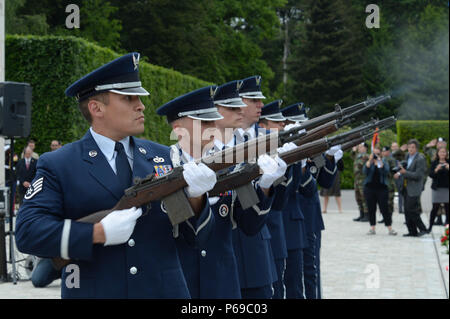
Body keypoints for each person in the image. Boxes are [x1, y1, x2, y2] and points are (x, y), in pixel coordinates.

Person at [15, 53, 217, 298]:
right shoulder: (60, 163)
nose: (141, 105)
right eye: (128, 98)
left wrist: (197, 199)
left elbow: (197, 239)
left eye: (139, 98)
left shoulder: (164, 157)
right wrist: (96, 233)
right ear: (96, 108)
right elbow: (28, 232)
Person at [157, 81, 282, 299]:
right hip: (182, 284)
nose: (213, 126)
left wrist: (265, 185)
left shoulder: (231, 166)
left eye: (213, 119)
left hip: (223, 282)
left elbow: (250, 224)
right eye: (204, 122)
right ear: (178, 130)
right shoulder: (164, 168)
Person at [231, 75, 281, 299]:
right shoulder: (214, 142)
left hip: (256, 246)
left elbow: (283, 200)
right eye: (253, 100)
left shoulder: (270, 139)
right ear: (238, 102)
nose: (261, 105)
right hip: (229, 249)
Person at [394, 139, 428, 237]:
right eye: (409, 147)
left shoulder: (420, 158)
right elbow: (405, 169)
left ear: (416, 148)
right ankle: (412, 231)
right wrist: (399, 173)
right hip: (405, 187)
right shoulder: (407, 156)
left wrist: (404, 173)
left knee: (412, 209)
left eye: (412, 147)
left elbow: (418, 175)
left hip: (414, 188)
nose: (410, 149)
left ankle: (423, 229)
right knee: (407, 210)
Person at [363, 146, 397, 235]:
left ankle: (390, 228)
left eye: (378, 154)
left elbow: (386, 172)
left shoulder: (384, 162)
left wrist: (379, 163)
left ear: (381, 154)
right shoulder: (369, 162)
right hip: (369, 188)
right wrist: (369, 162)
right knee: (371, 208)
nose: (376, 155)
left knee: (384, 208)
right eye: (374, 154)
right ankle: (372, 228)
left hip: (382, 189)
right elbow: (364, 172)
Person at [427, 146, 449, 231]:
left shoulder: (448, 162)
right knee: (435, 208)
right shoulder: (434, 162)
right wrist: (437, 169)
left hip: (447, 189)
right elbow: (431, 175)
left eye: (444, 152)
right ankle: (430, 227)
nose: (442, 154)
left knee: (448, 209)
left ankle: (447, 228)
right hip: (437, 189)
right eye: (441, 152)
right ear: (438, 153)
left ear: (446, 153)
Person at [352, 143, 369, 222]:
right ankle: (361, 214)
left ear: (365, 148)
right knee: (358, 198)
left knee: (364, 198)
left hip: (363, 180)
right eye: (359, 147)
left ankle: (367, 215)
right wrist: (353, 150)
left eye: (361, 147)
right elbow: (352, 156)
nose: (359, 148)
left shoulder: (366, 156)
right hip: (357, 180)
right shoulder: (358, 156)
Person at [381, 146, 397, 223]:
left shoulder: (391, 160)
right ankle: (384, 217)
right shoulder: (380, 159)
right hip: (382, 183)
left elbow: (394, 170)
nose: (384, 153)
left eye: (385, 151)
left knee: (389, 202)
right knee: (383, 202)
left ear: (388, 152)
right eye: (383, 151)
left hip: (389, 183)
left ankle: (389, 217)